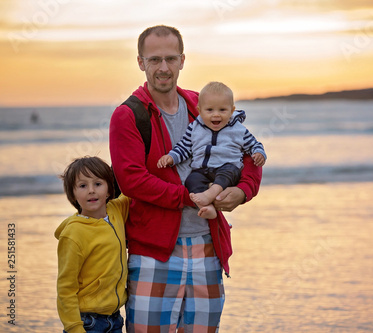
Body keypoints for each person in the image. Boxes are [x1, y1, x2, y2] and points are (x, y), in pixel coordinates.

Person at [109, 25, 262, 332]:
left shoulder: (203, 104)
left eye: (170, 59)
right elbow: (131, 179)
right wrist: (190, 198)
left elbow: (245, 151)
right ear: (140, 62)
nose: (163, 68)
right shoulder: (128, 115)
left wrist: (244, 191)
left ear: (182, 60)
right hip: (154, 252)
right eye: (154, 60)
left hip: (208, 246)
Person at [157, 81, 266, 220]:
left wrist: (259, 154)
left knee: (229, 172)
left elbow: (254, 145)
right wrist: (171, 157)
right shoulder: (195, 128)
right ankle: (206, 207)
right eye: (209, 110)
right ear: (200, 110)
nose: (216, 115)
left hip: (227, 168)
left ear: (232, 111)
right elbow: (184, 147)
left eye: (222, 110)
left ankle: (211, 193)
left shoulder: (238, 130)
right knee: (191, 180)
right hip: (202, 170)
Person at [55, 156, 130, 333]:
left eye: (98, 184)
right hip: (87, 323)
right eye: (82, 186)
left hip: (115, 319)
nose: (91, 191)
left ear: (109, 189)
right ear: (72, 194)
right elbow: (66, 288)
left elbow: (133, 188)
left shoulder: (116, 211)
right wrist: (74, 327)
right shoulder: (73, 235)